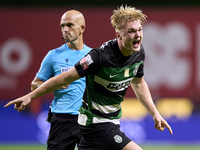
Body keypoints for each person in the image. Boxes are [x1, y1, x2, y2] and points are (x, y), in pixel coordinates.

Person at [5, 5, 173, 150]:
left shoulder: (138, 54)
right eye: (131, 31)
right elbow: (65, 78)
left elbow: (139, 84)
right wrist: (30, 96)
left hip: (111, 121)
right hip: (96, 123)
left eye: (139, 30)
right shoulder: (98, 57)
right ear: (118, 34)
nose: (137, 35)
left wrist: (155, 114)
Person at [30, 10, 91, 150]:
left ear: (82, 28)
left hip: (88, 119)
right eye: (62, 26)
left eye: (70, 25)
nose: (65, 29)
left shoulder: (93, 55)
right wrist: (54, 85)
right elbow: (35, 84)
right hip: (63, 120)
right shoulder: (53, 55)